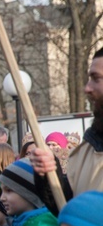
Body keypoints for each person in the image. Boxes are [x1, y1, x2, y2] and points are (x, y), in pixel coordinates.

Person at [30, 47, 103, 199]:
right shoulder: (84, 153)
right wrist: (48, 177)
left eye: (96, 79)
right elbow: (69, 208)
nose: (87, 88)